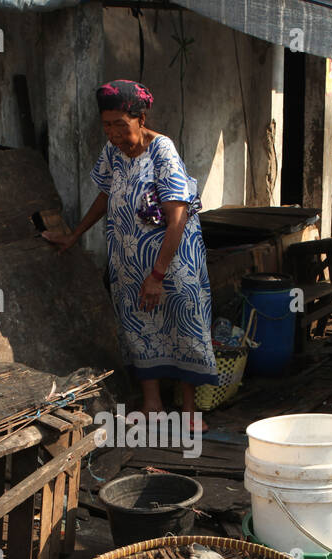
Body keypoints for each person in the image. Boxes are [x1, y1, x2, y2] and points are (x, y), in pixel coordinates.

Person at [43, 79, 217, 431]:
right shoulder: (113, 152)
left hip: (173, 261)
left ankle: (189, 411)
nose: (113, 133)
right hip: (128, 262)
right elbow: (105, 195)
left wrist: (158, 275)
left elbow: (178, 215)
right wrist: (74, 236)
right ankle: (153, 405)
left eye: (120, 124)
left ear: (140, 117)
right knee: (138, 327)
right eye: (107, 125)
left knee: (184, 323)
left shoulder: (161, 150)